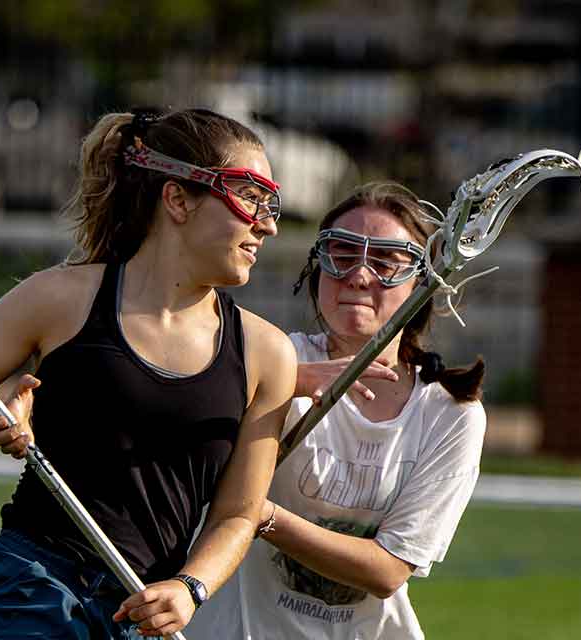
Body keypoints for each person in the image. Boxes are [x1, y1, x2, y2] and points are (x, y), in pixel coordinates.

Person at [0, 107, 297, 639]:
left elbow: (238, 514)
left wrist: (190, 587)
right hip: (27, 590)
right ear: (178, 199)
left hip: (141, 616)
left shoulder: (267, 354)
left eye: (270, 203)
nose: (267, 223)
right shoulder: (58, 298)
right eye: (248, 197)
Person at [187, 181, 487, 639]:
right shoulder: (271, 357)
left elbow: (386, 571)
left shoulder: (451, 415)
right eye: (342, 256)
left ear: (422, 282)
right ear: (317, 268)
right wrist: (289, 382)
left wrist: (257, 513)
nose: (361, 276)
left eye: (387, 262)